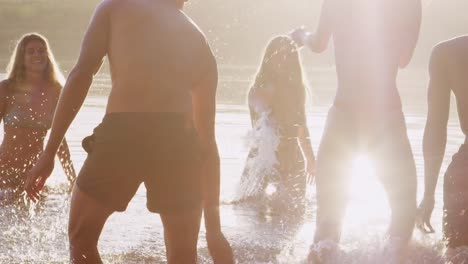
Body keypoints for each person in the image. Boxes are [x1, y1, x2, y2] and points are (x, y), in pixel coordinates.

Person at [24, 0, 233, 263]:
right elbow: (206, 143)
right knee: (183, 255)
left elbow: (81, 74)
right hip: (178, 141)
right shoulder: (198, 39)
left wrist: (49, 152)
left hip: (125, 132)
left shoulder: (117, 6)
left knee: (82, 238)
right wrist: (214, 232)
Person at [291, 0, 421, 261]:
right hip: (386, 116)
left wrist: (300, 35)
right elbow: (405, 59)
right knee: (403, 216)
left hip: (345, 114)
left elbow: (318, 44)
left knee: (327, 224)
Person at [238, 36, 315, 213]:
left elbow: (302, 125)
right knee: (250, 211)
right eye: (279, 54)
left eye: (289, 55)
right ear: (269, 58)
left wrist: (311, 158)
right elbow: (260, 127)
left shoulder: (297, 89)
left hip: (292, 158)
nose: (284, 59)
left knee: (295, 216)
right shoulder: (259, 88)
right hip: (264, 158)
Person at [0, 33, 76, 202]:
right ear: (22, 57)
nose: (37, 55)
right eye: (31, 51)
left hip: (36, 173)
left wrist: (73, 179)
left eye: (42, 51)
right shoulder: (6, 88)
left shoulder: (57, 91)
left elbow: (60, 139)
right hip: (3, 173)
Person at [417, 36, 468, 251]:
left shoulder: (448, 53)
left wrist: (429, 194)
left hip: (463, 176)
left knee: (457, 255)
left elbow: (436, 127)